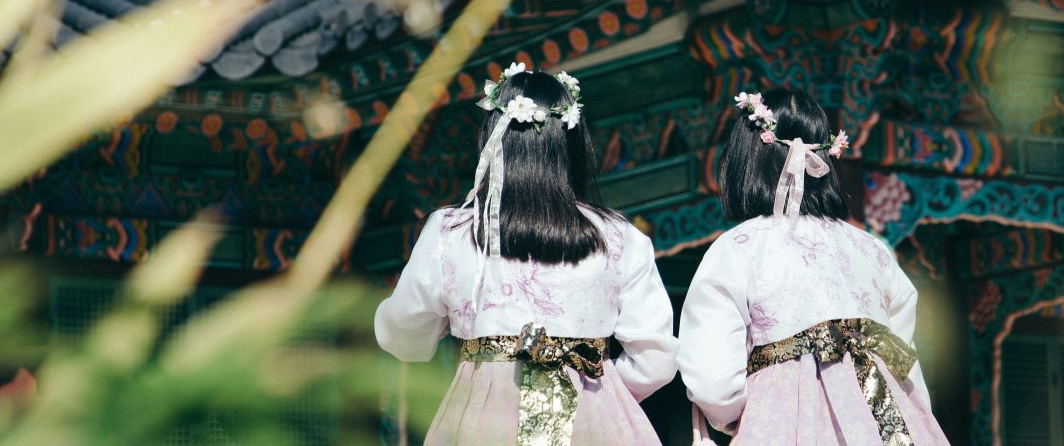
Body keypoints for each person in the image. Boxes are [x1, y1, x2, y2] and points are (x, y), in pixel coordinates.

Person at [375, 64, 677, 446]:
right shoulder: (620, 237)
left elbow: (402, 334)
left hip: (483, 422)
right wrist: (597, 394)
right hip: (594, 422)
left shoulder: (449, 232)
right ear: (572, 141)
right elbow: (656, 360)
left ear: (492, 139)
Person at [678, 89, 948, 445]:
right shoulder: (872, 250)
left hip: (783, 424)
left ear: (748, 158)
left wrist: (749, 413)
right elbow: (904, 363)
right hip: (888, 421)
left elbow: (713, 382)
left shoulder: (739, 249)